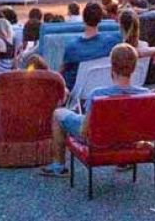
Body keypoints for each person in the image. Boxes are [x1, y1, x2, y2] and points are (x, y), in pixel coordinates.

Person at [39, 43, 149, 177]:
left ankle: (59, 166)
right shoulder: (146, 94)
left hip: (99, 139)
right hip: (129, 139)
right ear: (134, 67)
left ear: (112, 66)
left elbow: (84, 131)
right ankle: (124, 159)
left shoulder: (98, 94)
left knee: (58, 113)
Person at [59, 3, 120, 90]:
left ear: (83, 19)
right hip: (104, 91)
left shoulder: (72, 48)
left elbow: (62, 72)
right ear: (100, 20)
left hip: (79, 94)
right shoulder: (113, 42)